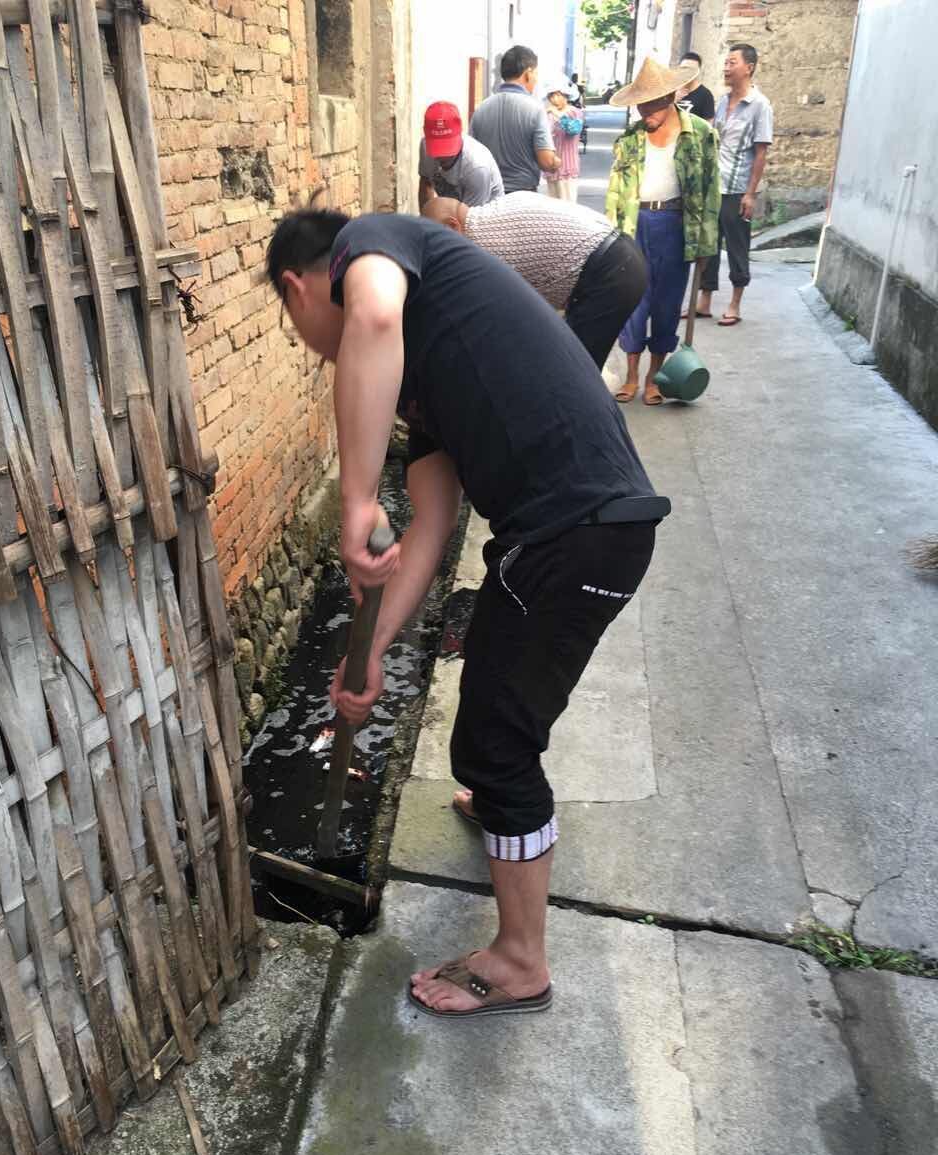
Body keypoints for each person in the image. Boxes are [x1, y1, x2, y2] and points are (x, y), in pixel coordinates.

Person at [266, 205, 669, 1018]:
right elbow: (431, 525)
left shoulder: (376, 242)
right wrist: (368, 655)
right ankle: (497, 809)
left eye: (295, 323)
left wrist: (355, 499)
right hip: (563, 537)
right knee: (490, 680)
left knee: (496, 746)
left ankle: (521, 962)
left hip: (578, 534)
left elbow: (372, 317)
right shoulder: (426, 380)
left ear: (300, 288)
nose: (313, 345)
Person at [421, 192, 646, 370]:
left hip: (611, 272)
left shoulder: (482, 248)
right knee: (564, 364)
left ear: (453, 226)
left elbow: (498, 323)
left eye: (439, 244)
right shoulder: (499, 207)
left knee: (575, 374)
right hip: (621, 256)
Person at [606, 58, 721, 404]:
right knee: (633, 302)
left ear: (670, 98)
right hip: (635, 223)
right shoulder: (630, 139)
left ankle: (655, 377)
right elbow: (615, 191)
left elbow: (710, 191)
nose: (645, 112)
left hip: (675, 225)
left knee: (666, 304)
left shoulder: (699, 134)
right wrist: (610, 238)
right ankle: (631, 376)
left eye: (652, 104)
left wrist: (706, 245)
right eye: (640, 105)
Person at [696, 43, 773, 325]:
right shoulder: (721, 101)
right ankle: (704, 301)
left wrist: (750, 194)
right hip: (714, 187)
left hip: (738, 189)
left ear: (748, 68)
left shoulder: (760, 105)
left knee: (737, 247)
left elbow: (761, 153)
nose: (726, 68)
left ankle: (735, 304)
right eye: (726, 63)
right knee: (708, 245)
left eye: (732, 63)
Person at [469, 45, 560, 194]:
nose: (536, 79)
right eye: (536, 74)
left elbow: (472, 155)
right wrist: (557, 162)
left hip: (488, 195)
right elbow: (546, 162)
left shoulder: (481, 109)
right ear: (528, 74)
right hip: (522, 196)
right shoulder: (535, 109)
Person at [418, 100, 504, 209]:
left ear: (460, 133)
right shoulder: (425, 147)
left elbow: (470, 218)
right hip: (454, 210)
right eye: (437, 148)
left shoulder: (477, 167)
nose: (442, 156)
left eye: (447, 146)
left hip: (485, 215)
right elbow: (426, 184)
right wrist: (425, 217)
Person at [544, 82, 583, 202]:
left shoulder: (574, 112)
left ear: (566, 96)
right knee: (552, 205)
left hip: (568, 165)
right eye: (551, 96)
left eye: (558, 95)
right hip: (552, 165)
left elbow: (572, 129)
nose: (554, 99)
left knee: (568, 203)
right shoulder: (548, 114)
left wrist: (557, 114)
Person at [676, 52, 715, 121]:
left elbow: (708, 124)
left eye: (691, 70)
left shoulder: (705, 95)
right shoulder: (671, 90)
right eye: (683, 68)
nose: (686, 72)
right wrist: (673, 101)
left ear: (698, 71)